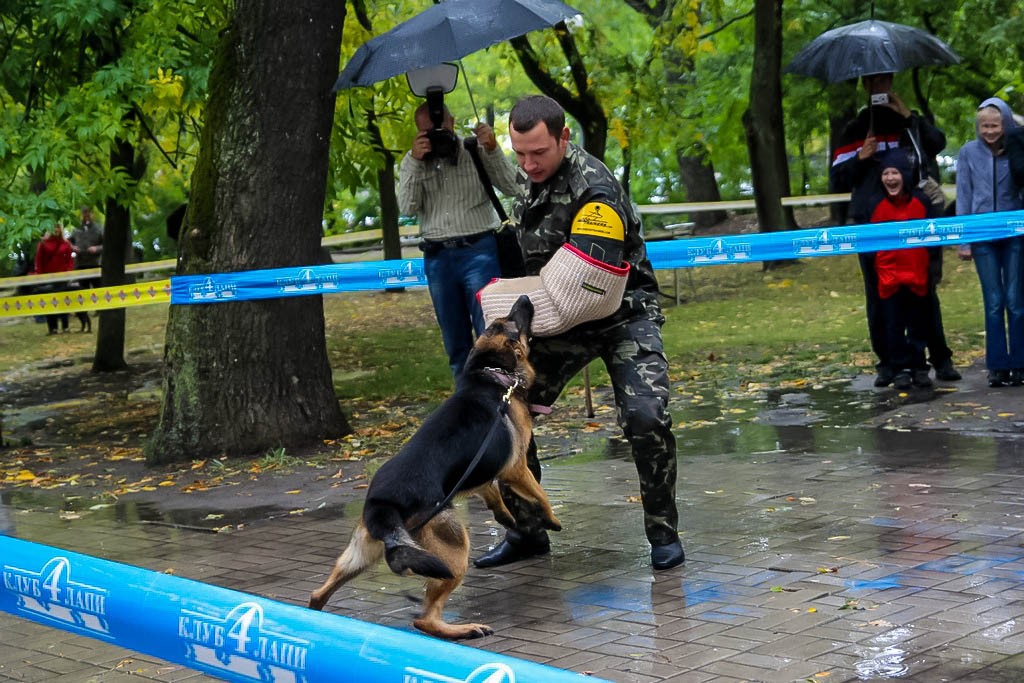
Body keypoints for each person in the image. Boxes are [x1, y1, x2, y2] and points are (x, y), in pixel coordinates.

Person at [474, 94, 684, 571]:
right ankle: (526, 532)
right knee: (501, 410)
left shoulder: (596, 193)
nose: (528, 164)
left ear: (564, 138)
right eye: (519, 153)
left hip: (621, 316)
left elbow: (580, 292)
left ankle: (663, 534)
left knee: (646, 417)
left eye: (539, 153)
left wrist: (515, 307)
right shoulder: (532, 182)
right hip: (559, 317)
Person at [830, 72, 960, 387]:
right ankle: (889, 362)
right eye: (874, 82)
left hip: (914, 217)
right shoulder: (856, 128)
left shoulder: (909, 121)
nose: (880, 87)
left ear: (891, 82)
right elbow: (839, 178)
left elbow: (936, 144)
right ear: (865, 86)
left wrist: (907, 114)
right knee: (880, 296)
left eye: (885, 81)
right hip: (871, 223)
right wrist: (861, 158)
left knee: (923, 291)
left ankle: (936, 358)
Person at [398, 103, 519, 378]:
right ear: (418, 132)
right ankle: (466, 406)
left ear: (452, 121)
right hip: (438, 257)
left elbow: (514, 186)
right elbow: (406, 208)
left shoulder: (475, 149)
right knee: (456, 344)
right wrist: (415, 161)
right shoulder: (413, 161)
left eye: (441, 128)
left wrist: (492, 150)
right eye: (428, 131)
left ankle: (502, 401)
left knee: (493, 337)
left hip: (479, 250)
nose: (437, 135)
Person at [955, 97, 1024, 387]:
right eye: (984, 126)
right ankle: (997, 365)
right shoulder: (968, 152)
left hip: (1013, 234)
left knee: (1015, 300)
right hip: (981, 234)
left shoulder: (1016, 150)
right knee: (994, 301)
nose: (990, 131)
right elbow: (963, 194)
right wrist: (964, 241)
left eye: (995, 125)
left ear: (1005, 124)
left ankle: (1019, 363)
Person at [866, 157, 941, 390]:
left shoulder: (921, 201)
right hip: (888, 277)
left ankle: (919, 368)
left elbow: (933, 238)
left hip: (917, 275)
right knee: (893, 325)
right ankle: (899, 369)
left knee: (919, 324)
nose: (890, 178)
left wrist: (932, 269)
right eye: (886, 173)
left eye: (895, 173)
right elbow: (867, 243)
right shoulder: (874, 204)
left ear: (905, 175)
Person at [34, 222, 74, 335]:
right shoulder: (43, 244)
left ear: (60, 229)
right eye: (53, 227)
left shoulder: (66, 243)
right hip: (48, 278)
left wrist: (69, 273)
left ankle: (65, 327)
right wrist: (40, 276)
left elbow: (70, 261)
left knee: (63, 301)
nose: (56, 229)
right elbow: (39, 261)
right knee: (50, 302)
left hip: (62, 278)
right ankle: (53, 328)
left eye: (57, 227)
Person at [69, 206, 103, 288]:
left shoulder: (100, 228)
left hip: (96, 264)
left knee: (98, 289)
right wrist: (73, 247)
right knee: (83, 290)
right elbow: (68, 242)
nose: (86, 215)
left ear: (92, 214)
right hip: (81, 265)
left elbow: (107, 245)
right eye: (84, 213)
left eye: (88, 213)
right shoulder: (76, 229)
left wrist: (97, 249)